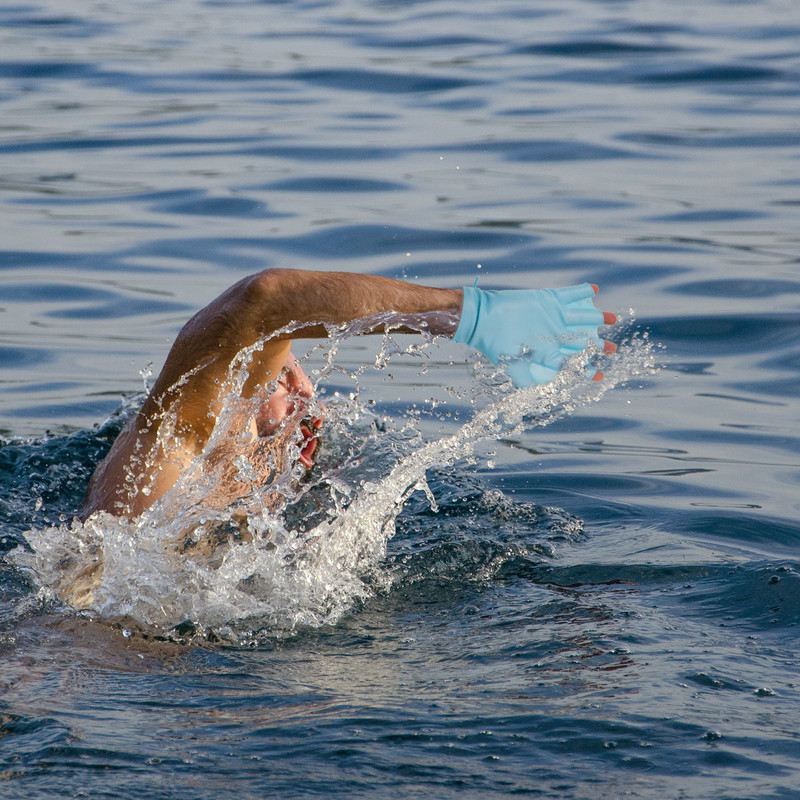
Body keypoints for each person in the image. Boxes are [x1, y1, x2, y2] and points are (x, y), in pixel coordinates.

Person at [81, 269, 617, 521]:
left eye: (293, 379)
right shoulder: (168, 455)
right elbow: (263, 304)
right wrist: (470, 315)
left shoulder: (194, 495)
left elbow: (262, 308)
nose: (298, 381)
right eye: (282, 364)